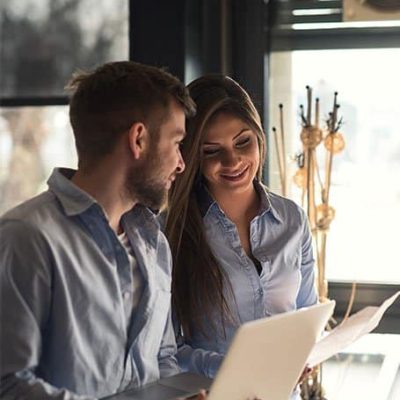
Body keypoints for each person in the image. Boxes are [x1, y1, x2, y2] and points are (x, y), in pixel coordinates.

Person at [0, 61, 199, 399]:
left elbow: (162, 359)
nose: (181, 163)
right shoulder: (25, 237)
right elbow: (9, 383)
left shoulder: (154, 243)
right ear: (138, 139)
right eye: (176, 142)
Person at [165, 75, 318, 398]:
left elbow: (307, 314)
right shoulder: (172, 231)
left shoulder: (292, 219)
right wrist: (237, 368)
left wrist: (303, 355)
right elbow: (164, 349)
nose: (232, 161)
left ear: (259, 138)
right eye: (211, 150)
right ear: (193, 156)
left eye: (242, 142)